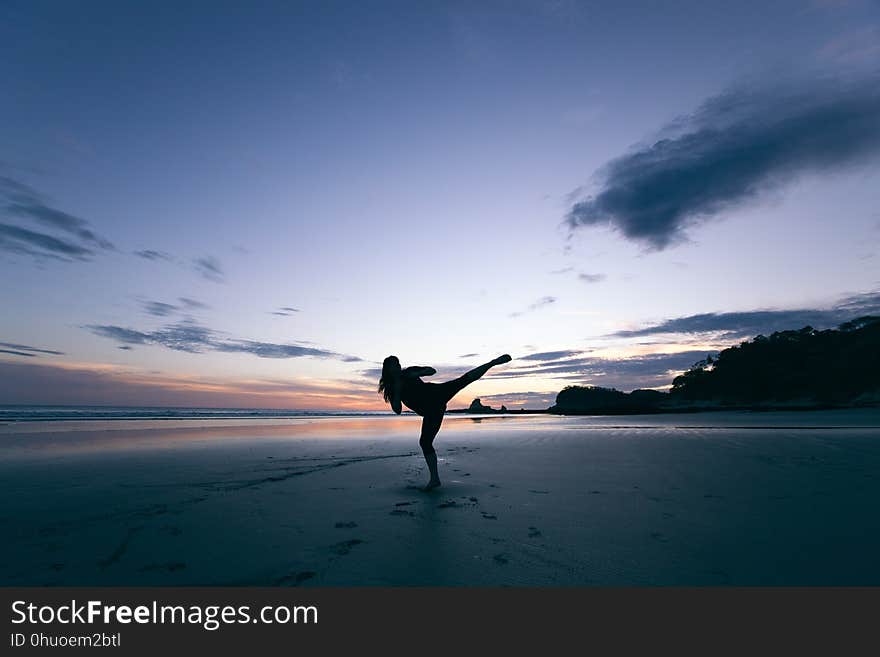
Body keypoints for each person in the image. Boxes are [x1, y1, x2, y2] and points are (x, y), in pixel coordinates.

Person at [378, 354, 512, 490]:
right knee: (425, 442)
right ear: (387, 369)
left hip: (437, 393)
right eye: (394, 365)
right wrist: (398, 391)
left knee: (463, 380)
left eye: (398, 364)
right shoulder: (391, 387)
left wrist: (416, 373)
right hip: (432, 411)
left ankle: (492, 363)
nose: (398, 367)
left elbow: (432, 371)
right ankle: (435, 480)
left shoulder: (408, 372)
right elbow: (398, 410)